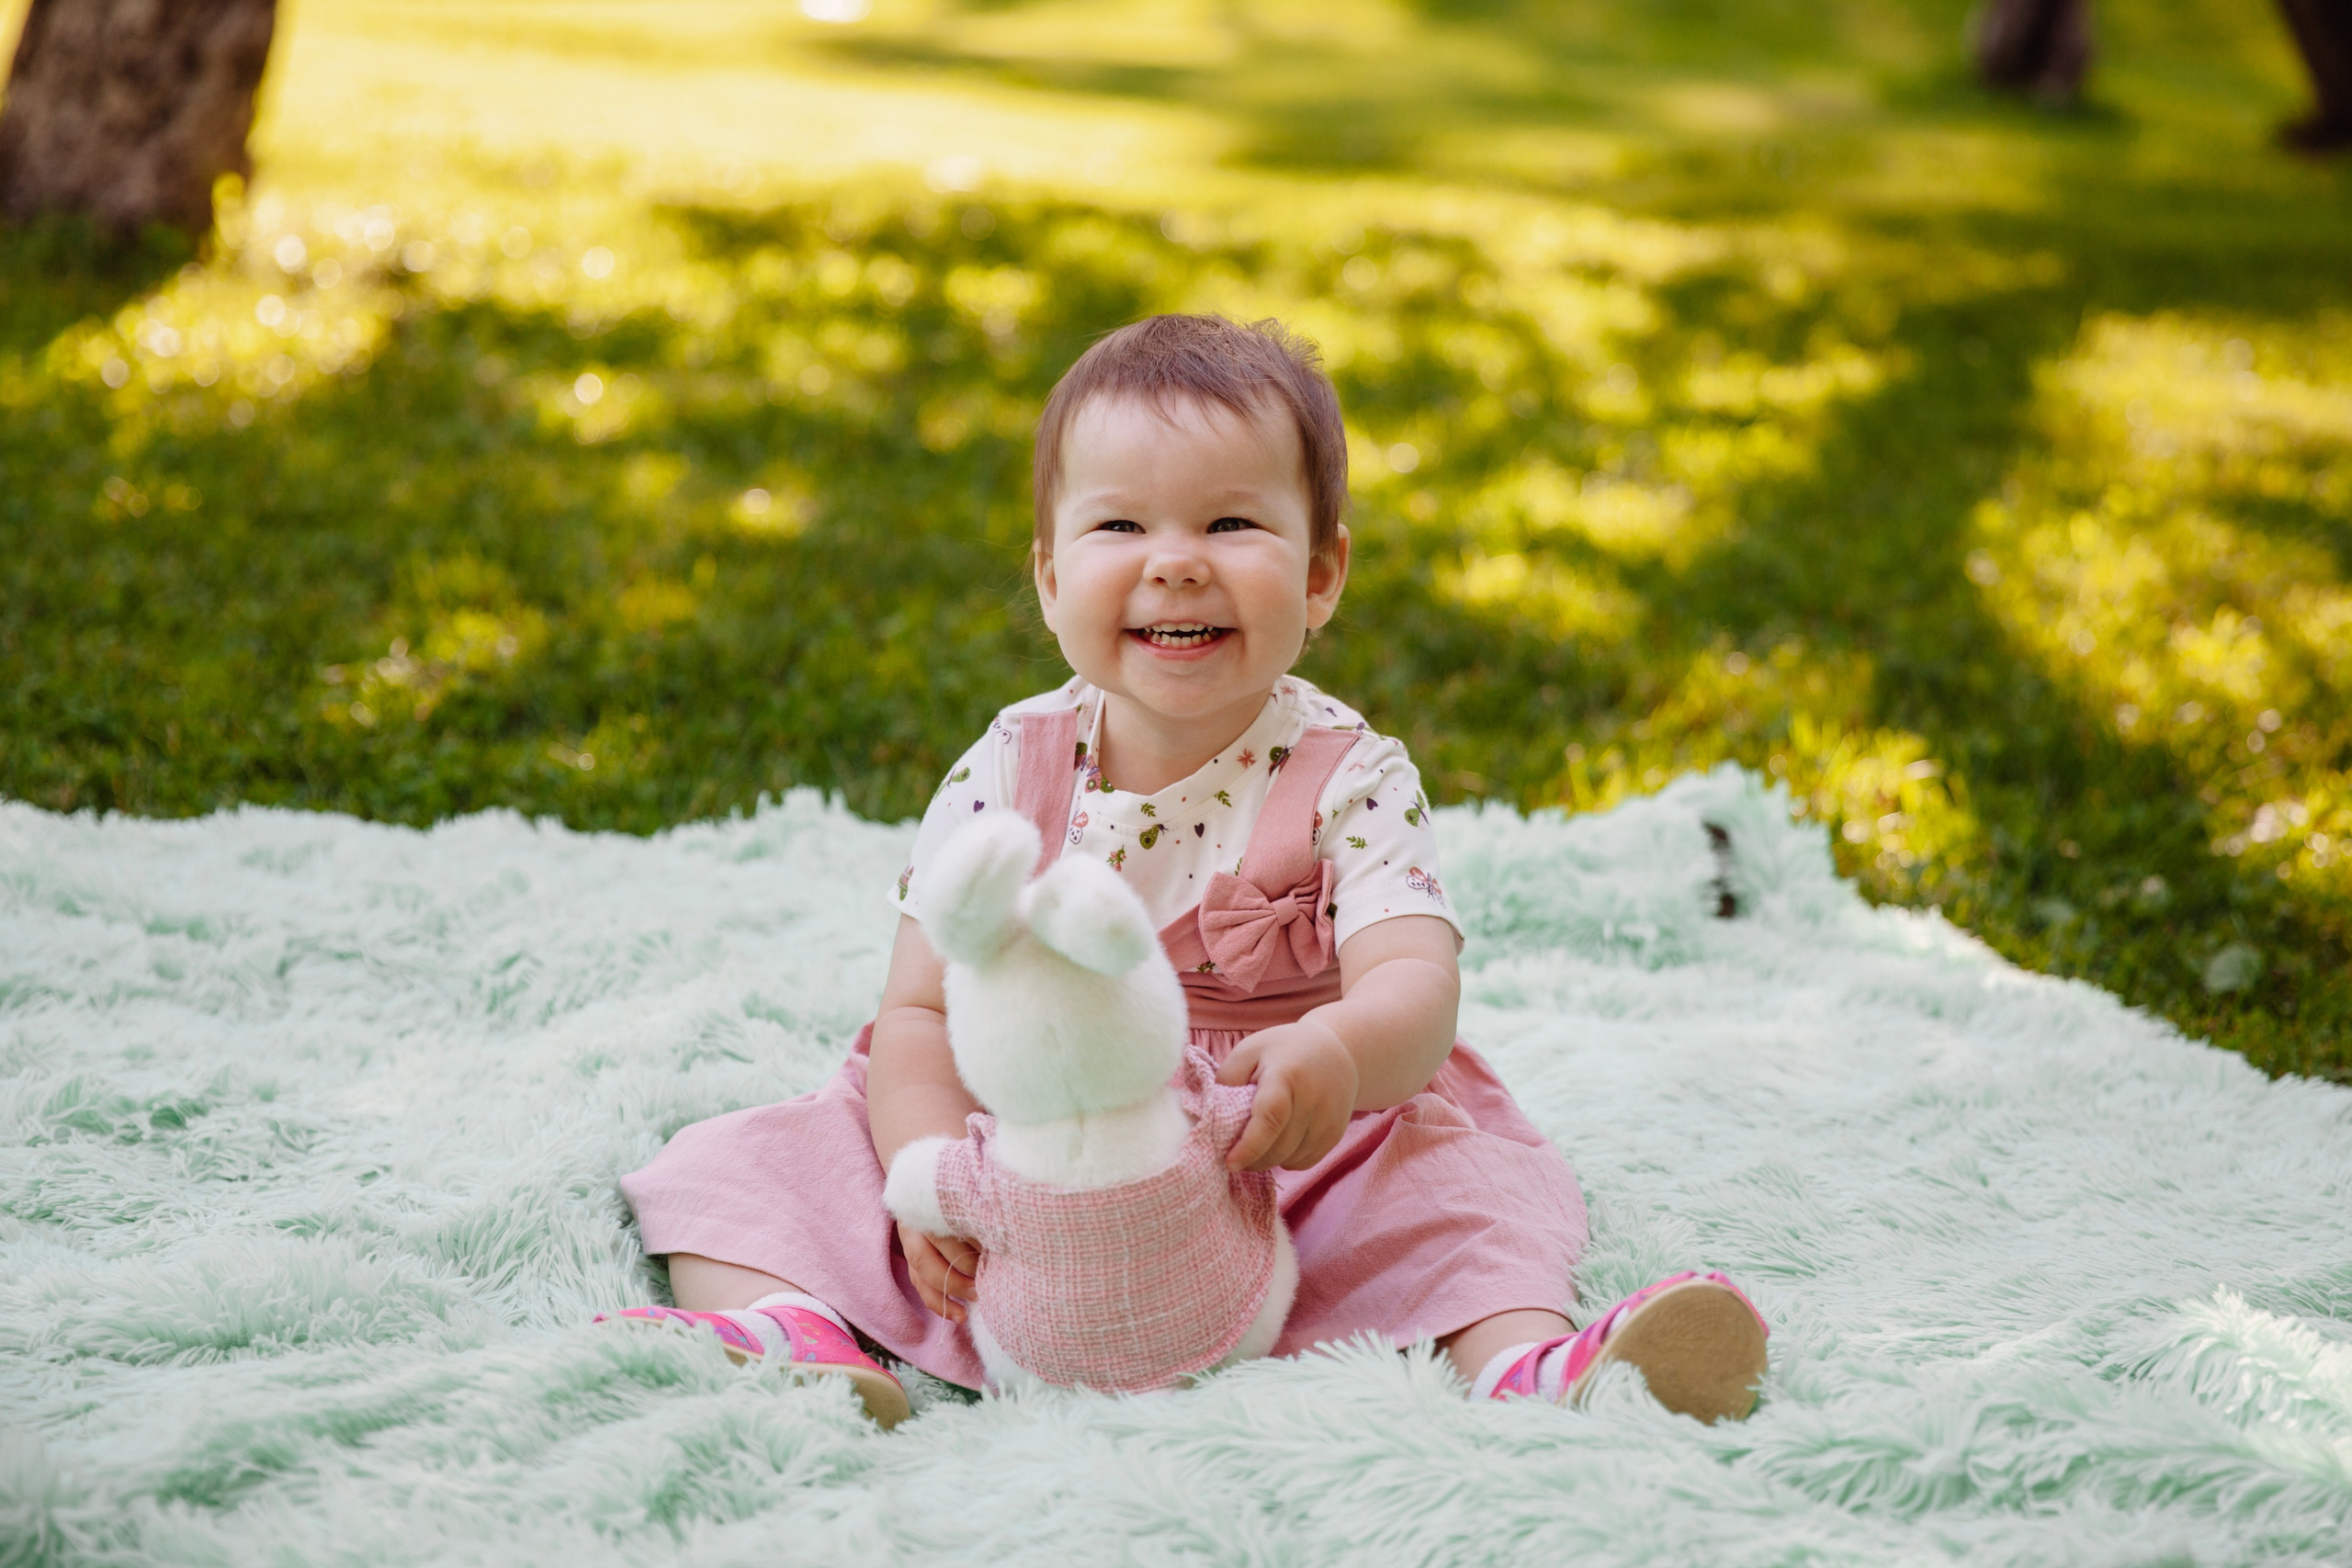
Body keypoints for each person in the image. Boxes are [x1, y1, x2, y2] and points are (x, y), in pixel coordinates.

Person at [601, 314, 1769, 1429]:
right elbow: (914, 1011)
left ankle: (1526, 1361)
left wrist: (1343, 1054)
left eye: (1229, 526)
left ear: (1320, 576)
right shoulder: (1012, 764)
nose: (1175, 566)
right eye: (1119, 530)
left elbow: (1415, 985)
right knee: (762, 1160)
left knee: (1457, 1188)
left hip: (1280, 1148)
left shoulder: (1349, 773)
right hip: (1030, 1142)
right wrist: (922, 1174)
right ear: (1052, 577)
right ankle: (800, 1330)